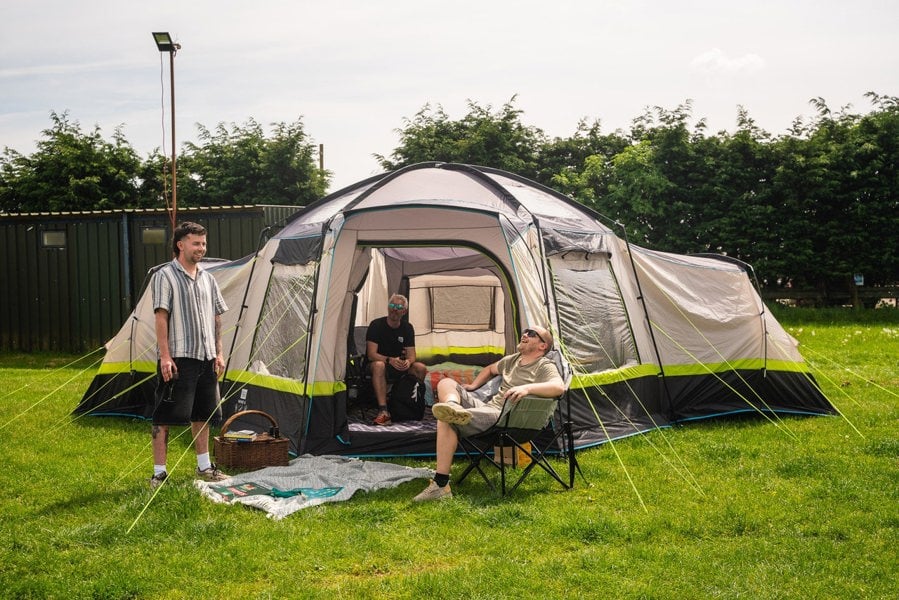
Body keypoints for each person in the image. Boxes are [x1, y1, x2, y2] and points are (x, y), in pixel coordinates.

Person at [413, 325, 563, 501]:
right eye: (524, 331)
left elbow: (558, 387)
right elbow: (490, 369)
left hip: (507, 418)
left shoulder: (544, 365)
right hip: (490, 409)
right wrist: (473, 385)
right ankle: (454, 406)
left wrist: (527, 388)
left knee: (445, 420)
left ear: (542, 346)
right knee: (446, 383)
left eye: (531, 334)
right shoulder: (512, 360)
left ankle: (441, 485)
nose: (525, 334)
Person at [149, 221, 230, 490]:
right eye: (196, 243)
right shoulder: (164, 276)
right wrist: (165, 356)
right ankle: (159, 473)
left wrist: (218, 353)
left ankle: (204, 467)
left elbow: (217, 317)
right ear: (180, 244)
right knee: (165, 416)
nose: (202, 249)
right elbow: (162, 316)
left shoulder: (208, 278)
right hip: (179, 358)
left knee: (204, 415)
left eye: (204, 243)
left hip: (206, 358)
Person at [365, 293, 428, 425]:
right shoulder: (376, 325)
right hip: (380, 363)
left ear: (404, 311)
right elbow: (371, 354)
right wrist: (390, 360)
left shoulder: (407, 328)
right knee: (378, 365)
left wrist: (408, 362)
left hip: (398, 365)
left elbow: (412, 355)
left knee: (420, 368)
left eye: (398, 307)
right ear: (388, 307)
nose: (394, 309)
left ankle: (410, 404)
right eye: (392, 305)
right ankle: (383, 411)